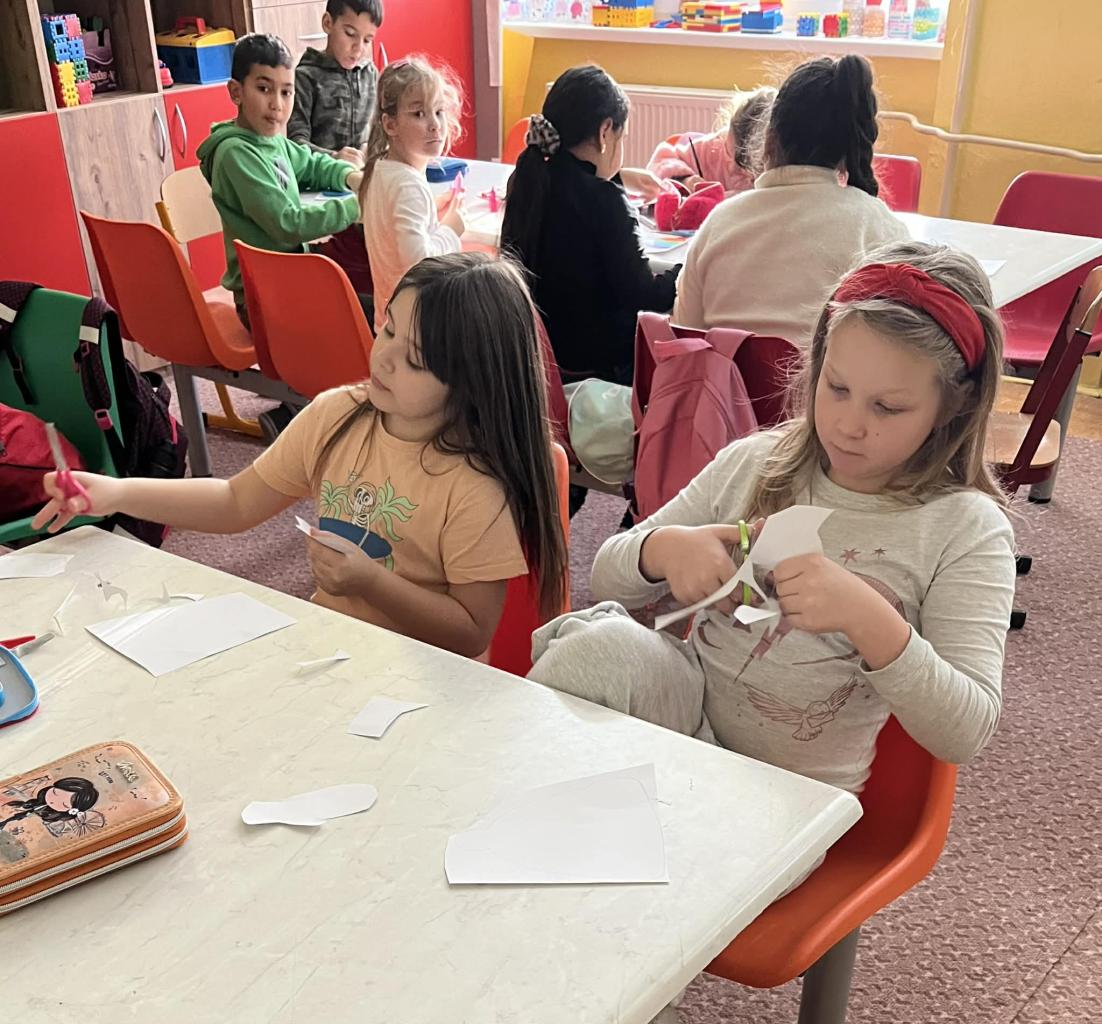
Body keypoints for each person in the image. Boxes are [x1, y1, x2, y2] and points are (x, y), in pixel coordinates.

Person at [528, 240, 1015, 802]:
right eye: (837, 388)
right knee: (597, 647)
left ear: (955, 404)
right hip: (684, 728)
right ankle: (514, 812)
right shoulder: (757, 461)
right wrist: (663, 550)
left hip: (794, 798)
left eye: (888, 407)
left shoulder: (966, 530)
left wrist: (869, 619)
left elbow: (965, 731)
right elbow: (607, 578)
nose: (849, 425)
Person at [35, 254, 568, 660]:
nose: (384, 357)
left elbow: (471, 633)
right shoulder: (338, 414)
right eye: (387, 328)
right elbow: (235, 501)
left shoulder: (474, 483)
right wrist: (116, 492)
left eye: (414, 359)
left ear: (472, 382)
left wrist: (372, 582)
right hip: (333, 654)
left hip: (427, 685)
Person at [673, 55, 909, 348]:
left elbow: (684, 338)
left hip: (726, 379)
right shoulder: (883, 231)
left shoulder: (719, 223)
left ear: (768, 138)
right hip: (827, 378)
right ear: (849, 148)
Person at [501, 64, 679, 385]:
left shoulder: (527, 182)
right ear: (604, 132)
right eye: (621, 137)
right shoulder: (604, 200)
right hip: (602, 373)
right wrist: (686, 269)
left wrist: (619, 177)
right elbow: (646, 296)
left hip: (540, 364)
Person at [197, 33, 363, 326]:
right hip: (262, 300)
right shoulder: (236, 154)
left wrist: (350, 177)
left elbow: (311, 165)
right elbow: (287, 224)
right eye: (264, 89)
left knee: (367, 276)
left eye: (286, 92)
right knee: (369, 314)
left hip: (288, 276)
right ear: (236, 92)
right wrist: (358, 207)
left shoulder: (272, 141)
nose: (277, 104)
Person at [358, 57, 466, 336]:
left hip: (390, 327)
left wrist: (432, 211)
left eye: (439, 112)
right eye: (419, 114)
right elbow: (419, 264)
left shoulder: (380, 169)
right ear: (390, 124)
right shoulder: (408, 185)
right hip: (417, 334)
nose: (435, 125)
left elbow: (393, 229)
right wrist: (450, 230)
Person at [288, 0, 383, 165]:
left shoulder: (370, 74)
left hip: (362, 172)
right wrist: (333, 157)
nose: (359, 48)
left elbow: (379, 127)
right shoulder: (305, 77)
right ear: (328, 23)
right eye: (350, 34)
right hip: (321, 175)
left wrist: (370, 146)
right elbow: (295, 144)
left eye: (367, 40)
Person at [646, 86, 775, 196]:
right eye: (730, 154)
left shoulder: (777, 164)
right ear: (729, 131)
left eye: (749, 167)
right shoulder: (710, 149)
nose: (732, 167)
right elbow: (659, 165)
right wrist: (685, 179)